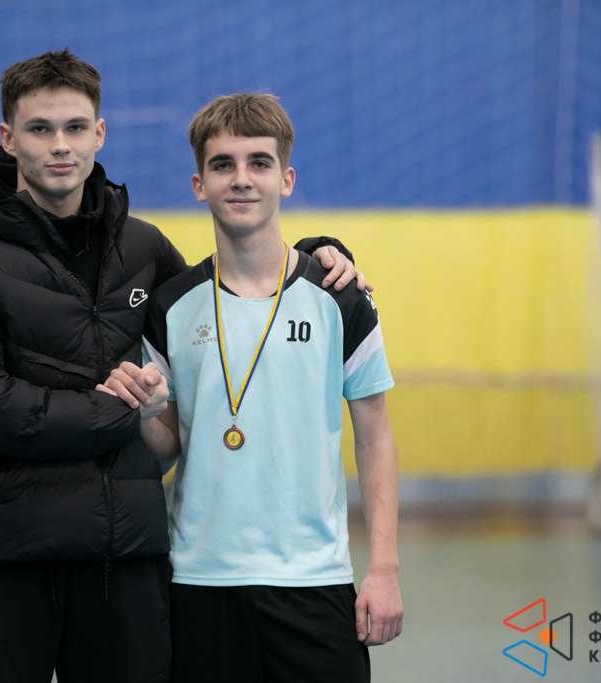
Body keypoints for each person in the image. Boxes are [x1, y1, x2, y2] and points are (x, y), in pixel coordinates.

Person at [0, 49, 368, 683]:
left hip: (123, 562)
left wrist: (317, 259)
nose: (60, 145)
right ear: (8, 139)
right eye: (40, 129)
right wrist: (116, 413)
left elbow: (229, 286)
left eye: (75, 127)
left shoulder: (142, 247)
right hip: (3, 558)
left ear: (99, 133)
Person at [100, 93, 403, 683]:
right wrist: (143, 410)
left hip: (314, 582)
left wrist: (384, 569)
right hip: (198, 581)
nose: (241, 179)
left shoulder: (341, 297)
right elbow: (170, 445)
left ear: (286, 179)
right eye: (223, 165)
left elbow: (375, 438)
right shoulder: (170, 305)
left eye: (259, 163)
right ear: (199, 185)